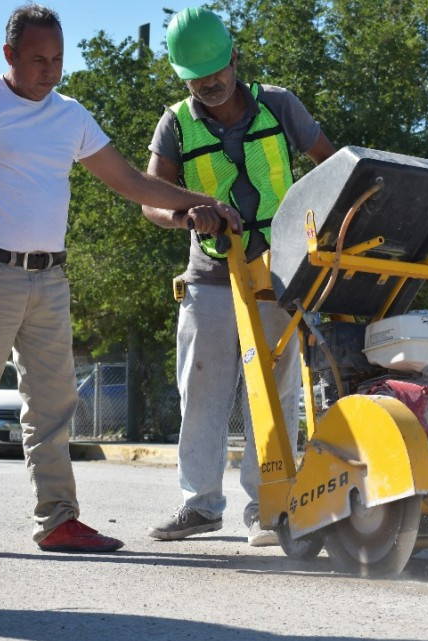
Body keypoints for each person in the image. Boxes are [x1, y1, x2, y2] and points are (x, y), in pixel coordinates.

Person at [0, 3, 238, 560]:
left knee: (53, 407)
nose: (49, 70)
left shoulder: (70, 115)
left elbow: (129, 181)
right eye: (37, 59)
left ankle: (58, 521)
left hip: (50, 278)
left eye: (56, 59)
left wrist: (203, 202)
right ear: (9, 56)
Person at [141, 7, 336, 547]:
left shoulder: (279, 104)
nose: (209, 86)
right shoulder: (175, 123)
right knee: (201, 389)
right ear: (183, 77)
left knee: (273, 392)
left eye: (217, 74)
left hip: (279, 274)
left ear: (234, 57)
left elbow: (330, 164)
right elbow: (150, 201)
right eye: (197, 80)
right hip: (210, 277)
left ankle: (269, 507)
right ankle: (199, 505)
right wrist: (185, 213)